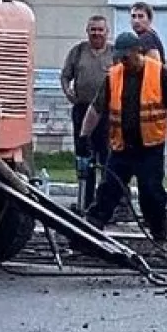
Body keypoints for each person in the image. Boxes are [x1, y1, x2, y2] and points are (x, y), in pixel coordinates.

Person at [80, 32, 167, 255]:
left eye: (125, 57)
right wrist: (84, 136)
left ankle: (160, 238)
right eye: (119, 58)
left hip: (150, 147)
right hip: (122, 147)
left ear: (137, 51)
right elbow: (96, 108)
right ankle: (88, 235)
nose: (123, 62)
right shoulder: (114, 76)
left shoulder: (158, 72)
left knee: (151, 193)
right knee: (108, 190)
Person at [60, 15, 113, 212]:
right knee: (84, 156)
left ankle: (106, 202)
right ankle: (85, 200)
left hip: (106, 114)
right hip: (82, 111)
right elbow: (65, 76)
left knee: (107, 157)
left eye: (100, 30)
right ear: (87, 31)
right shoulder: (78, 51)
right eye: (93, 30)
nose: (96, 33)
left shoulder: (114, 53)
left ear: (107, 32)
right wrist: (68, 91)